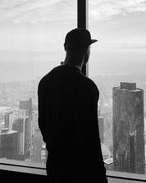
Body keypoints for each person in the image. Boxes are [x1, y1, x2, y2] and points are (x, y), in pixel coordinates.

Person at [38, 28, 108, 183]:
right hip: (81, 172)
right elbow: (91, 140)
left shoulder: (45, 81)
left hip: (55, 168)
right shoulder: (87, 87)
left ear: (65, 48)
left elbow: (43, 126)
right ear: (86, 50)